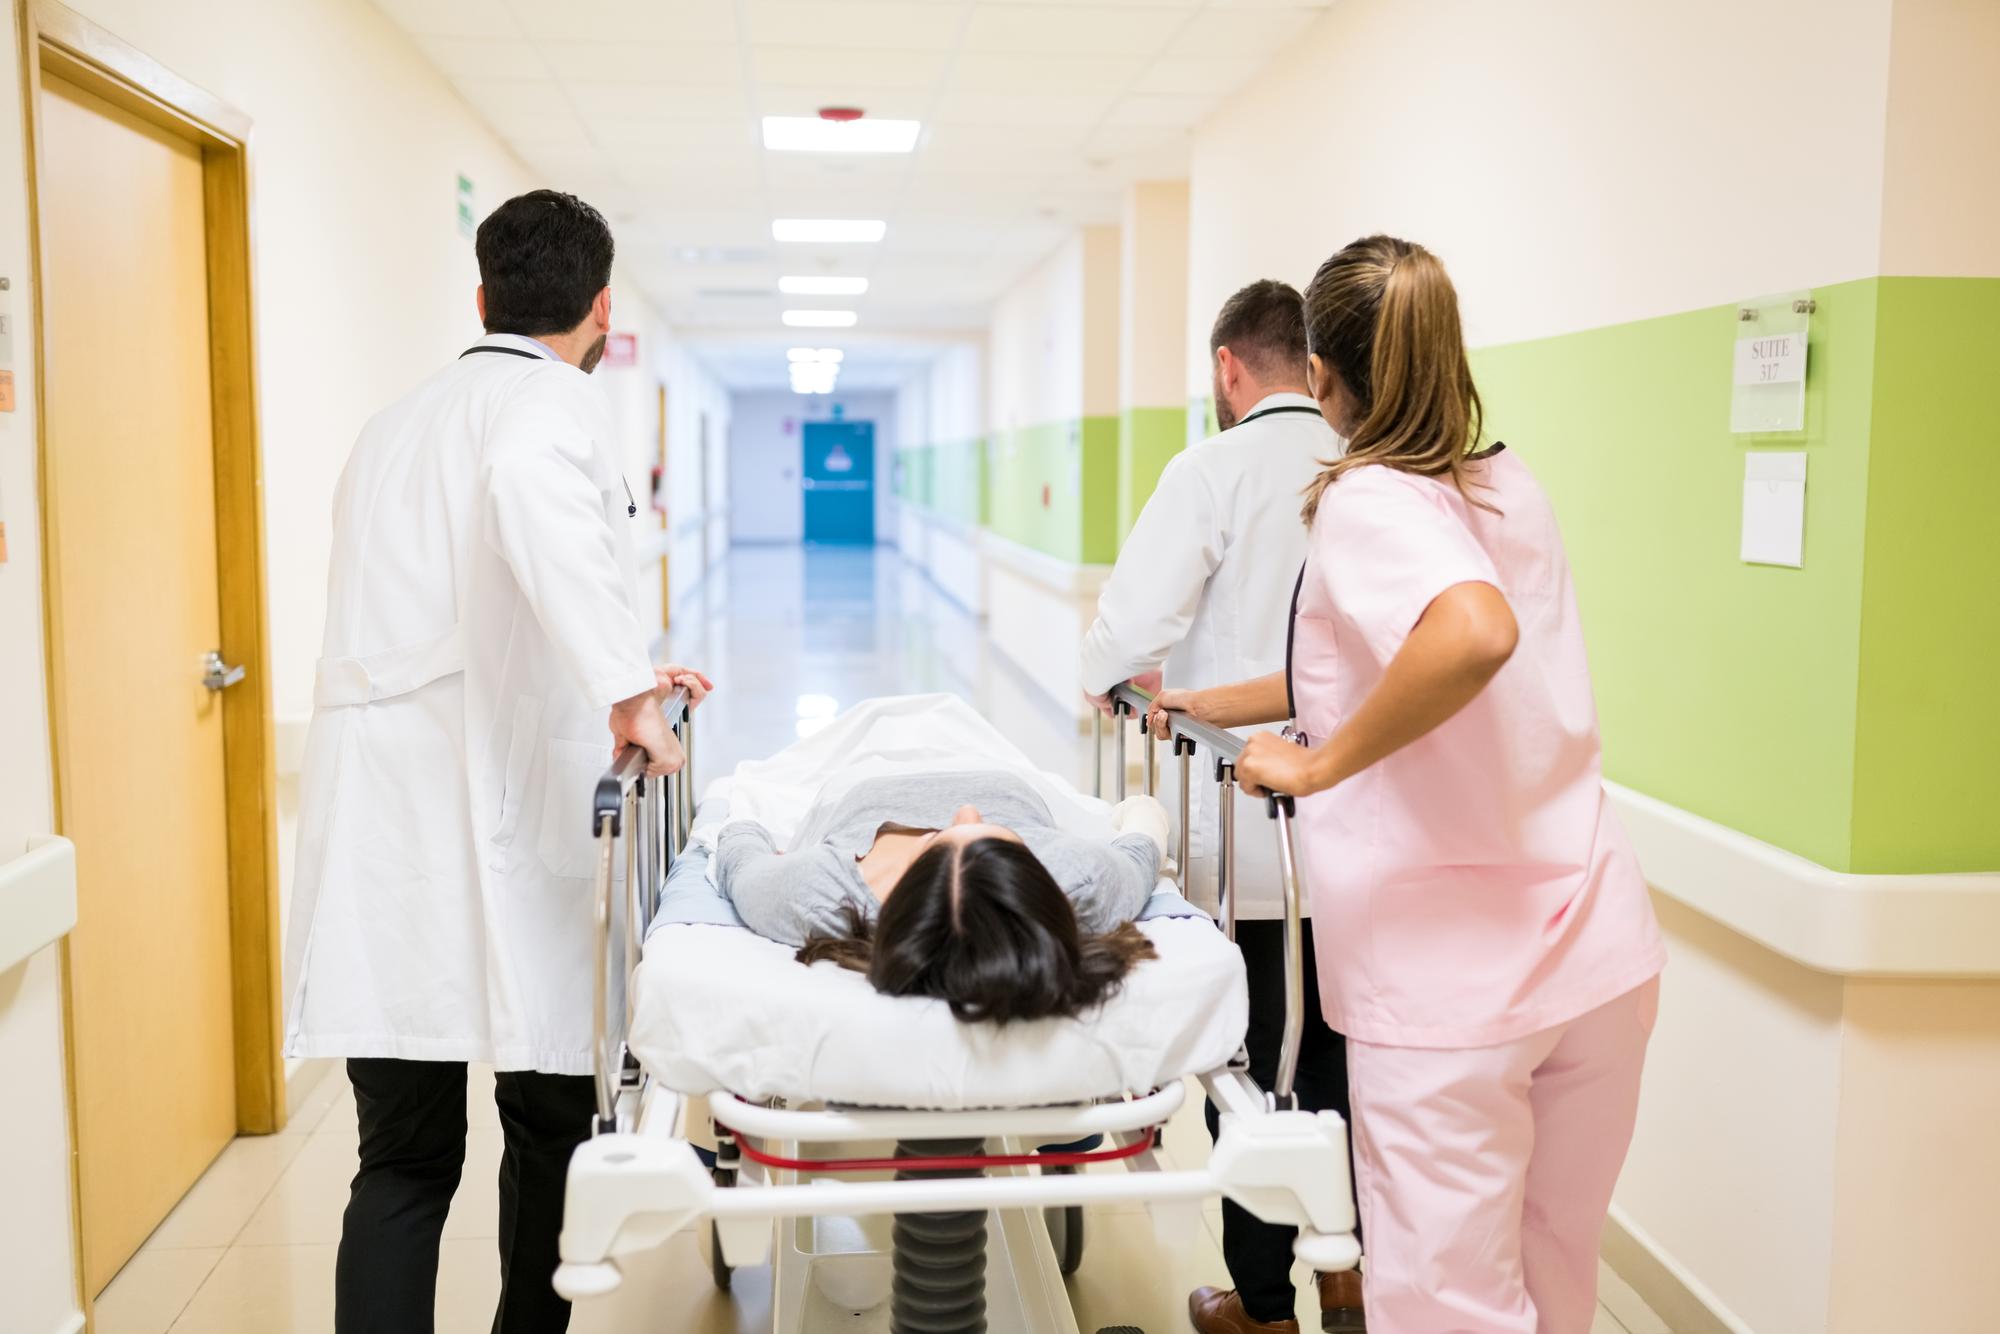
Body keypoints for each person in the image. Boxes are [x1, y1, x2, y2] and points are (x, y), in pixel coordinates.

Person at [1151, 235, 1666, 1334]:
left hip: (1452, 984)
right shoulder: (1504, 483)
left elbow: (1468, 630)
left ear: (1323, 377)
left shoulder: (1365, 498)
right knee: (1554, 1266)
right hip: (1594, 946)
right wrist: (1220, 705)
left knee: (1445, 1303)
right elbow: (1369, 660)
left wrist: (1317, 762)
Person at [284, 189, 712, 1334]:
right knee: (546, 1118)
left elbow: (467, 602)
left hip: (384, 821)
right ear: (601, 313)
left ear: (481, 297)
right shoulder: (546, 405)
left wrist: (629, 668)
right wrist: (631, 694)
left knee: (402, 1159)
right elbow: (538, 522)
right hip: (497, 805)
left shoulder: (395, 423)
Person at [1079, 280, 1362, 1334]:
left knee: (1248, 1061)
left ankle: (1259, 1300)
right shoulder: (1366, 467)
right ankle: (1349, 1273)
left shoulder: (1211, 467)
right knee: (1343, 1055)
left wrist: (1103, 670)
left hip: (1246, 835)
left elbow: (1124, 634)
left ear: (1226, 368)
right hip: (1364, 826)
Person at [717, 773, 1170, 1023]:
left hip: (852, 769)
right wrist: (1128, 810)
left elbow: (739, 844)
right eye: (1005, 837)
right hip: (999, 767)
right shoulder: (1074, 880)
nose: (965, 810)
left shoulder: (818, 894)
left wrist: (759, 834)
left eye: (936, 837)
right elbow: (1144, 830)